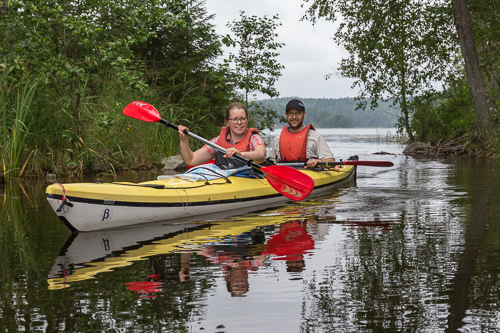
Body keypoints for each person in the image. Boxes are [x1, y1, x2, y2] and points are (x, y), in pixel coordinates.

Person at [177, 102, 266, 169]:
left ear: (247, 120)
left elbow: (261, 156)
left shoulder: (253, 138)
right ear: (227, 122)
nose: (239, 123)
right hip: (224, 183)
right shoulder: (218, 141)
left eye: (243, 119)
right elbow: (191, 160)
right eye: (234, 119)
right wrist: (184, 139)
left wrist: (240, 154)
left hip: (247, 181)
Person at [269, 98, 340, 170]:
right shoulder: (278, 139)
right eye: (291, 113)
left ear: (304, 114)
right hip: (284, 176)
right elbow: (270, 164)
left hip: (309, 175)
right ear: (286, 115)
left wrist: (319, 161)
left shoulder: (316, 137)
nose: (294, 117)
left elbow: (331, 162)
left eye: (298, 113)